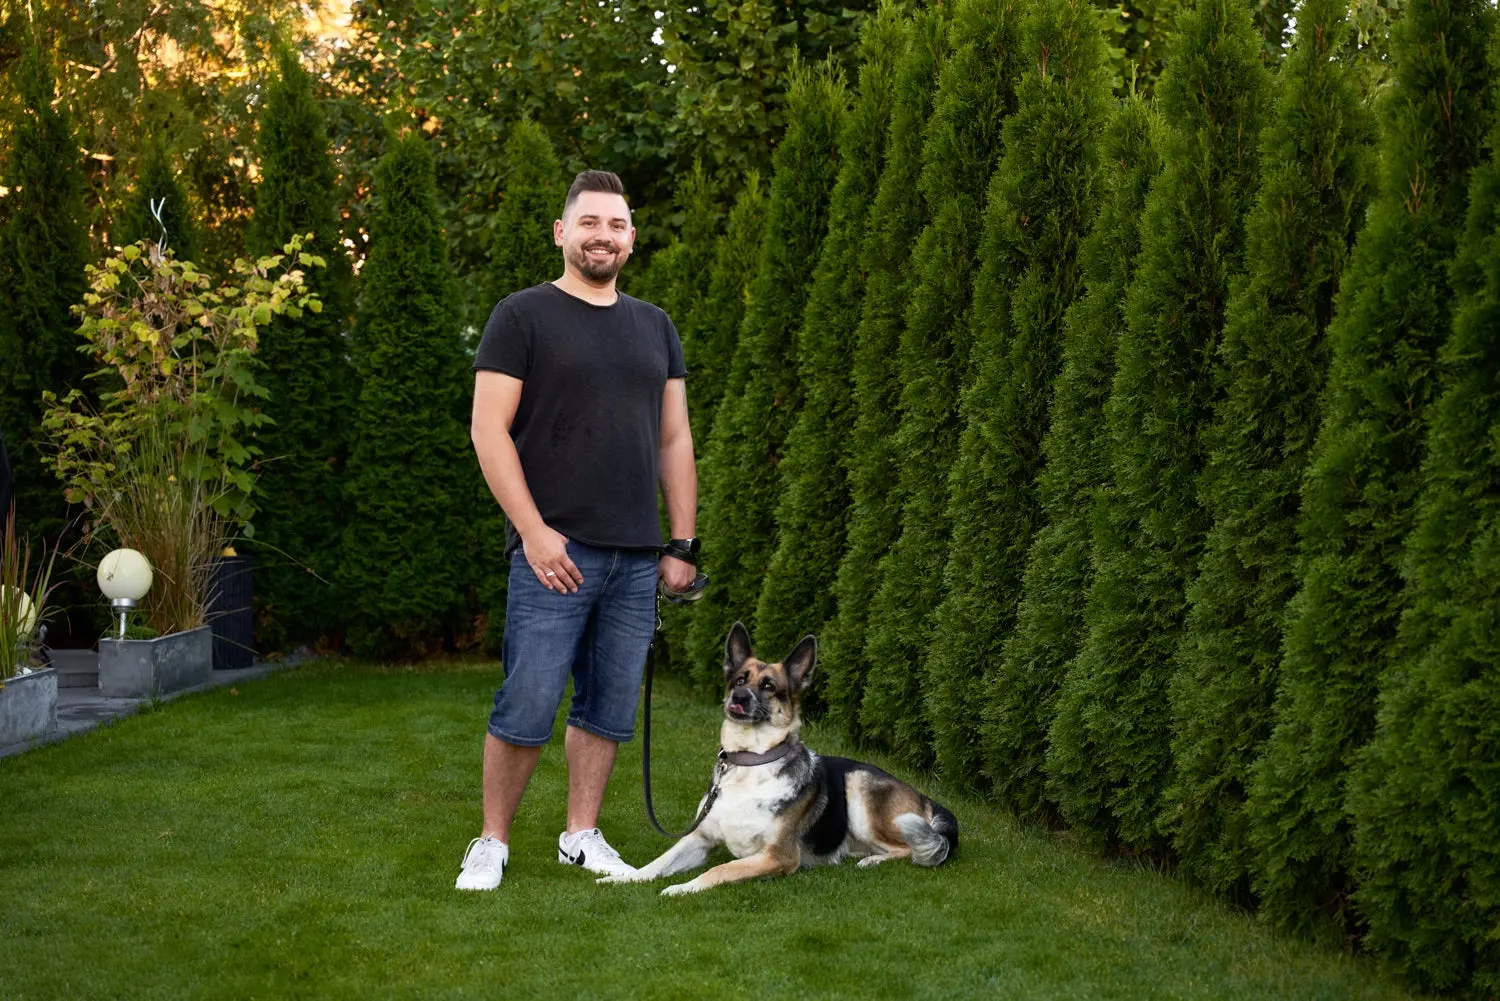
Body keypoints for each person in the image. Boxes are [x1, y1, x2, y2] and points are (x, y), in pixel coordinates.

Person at [457, 170, 699, 890]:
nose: (603, 235)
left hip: (634, 555)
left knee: (609, 703)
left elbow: (674, 438)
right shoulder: (522, 316)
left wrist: (681, 542)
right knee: (527, 699)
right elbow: (487, 429)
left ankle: (581, 835)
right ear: (563, 233)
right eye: (589, 222)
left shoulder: (655, 326)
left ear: (631, 237)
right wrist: (532, 530)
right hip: (552, 552)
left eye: (617, 224)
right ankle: (492, 841)